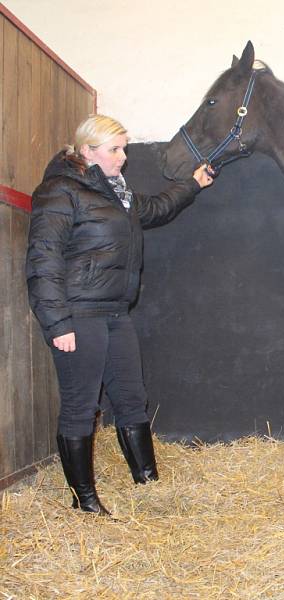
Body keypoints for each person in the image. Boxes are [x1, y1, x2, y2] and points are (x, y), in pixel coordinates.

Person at [26, 114, 215, 515]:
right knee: (81, 405)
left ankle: (147, 482)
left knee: (131, 398)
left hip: (115, 312)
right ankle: (85, 500)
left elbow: (158, 208)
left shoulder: (118, 194)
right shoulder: (60, 191)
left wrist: (193, 184)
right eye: (115, 149)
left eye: (125, 148)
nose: (124, 158)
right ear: (87, 152)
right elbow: (43, 260)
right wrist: (57, 324)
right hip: (79, 314)